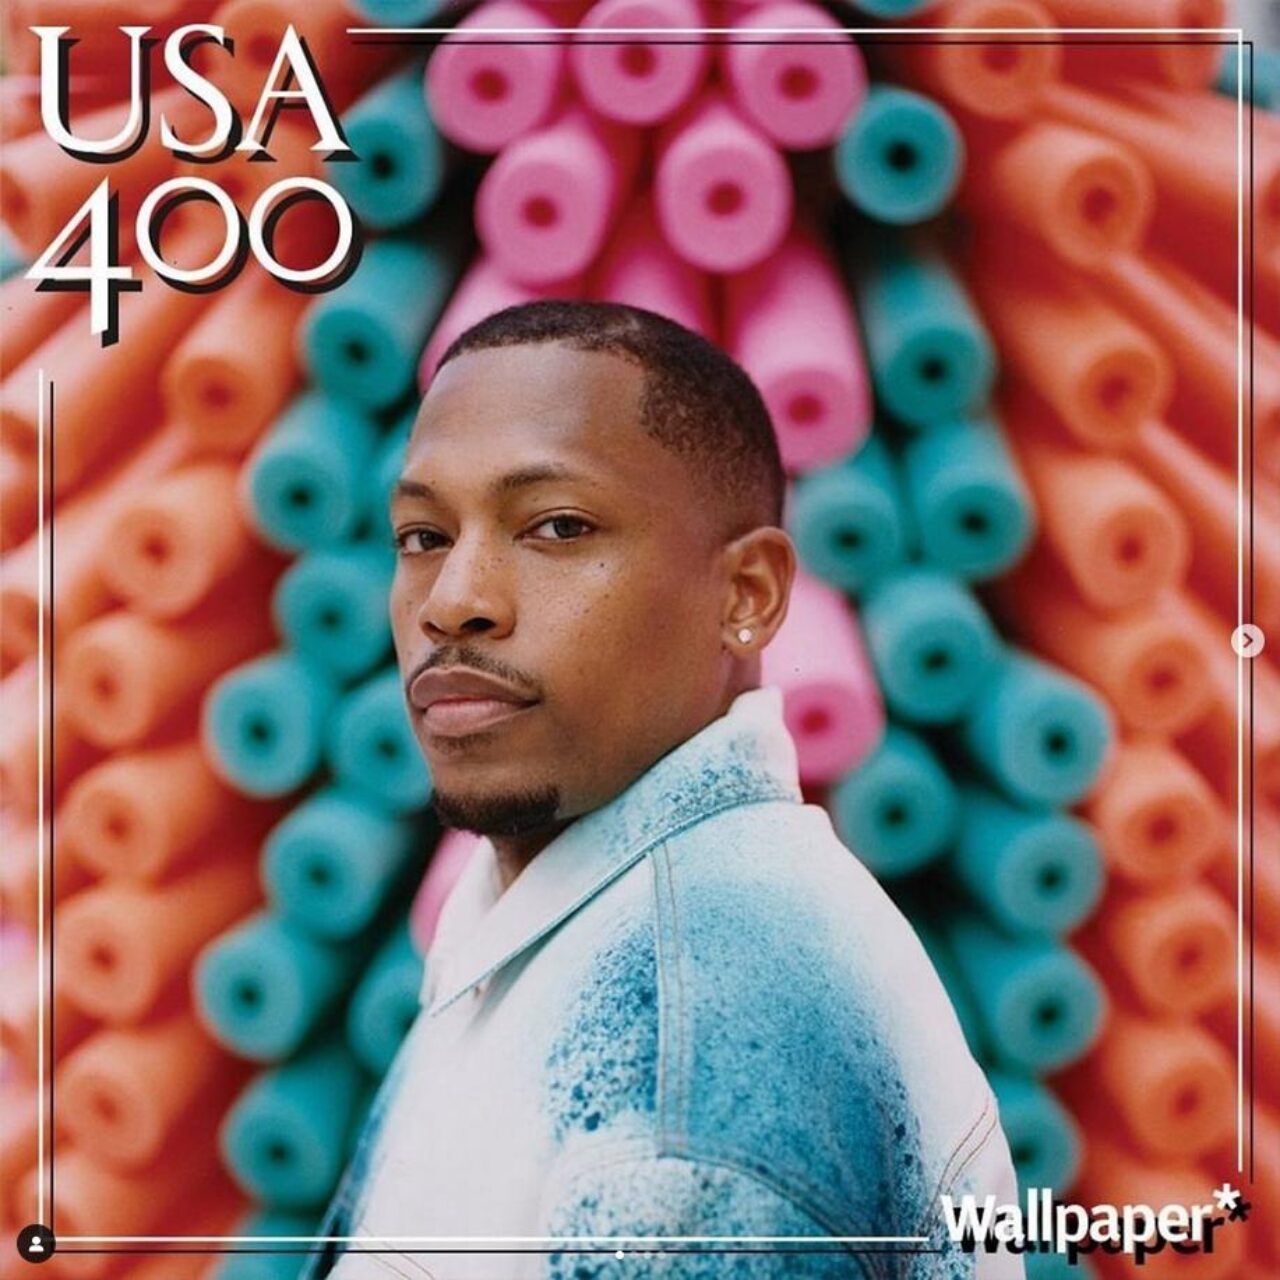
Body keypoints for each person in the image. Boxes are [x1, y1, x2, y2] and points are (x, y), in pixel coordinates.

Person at [303, 301, 1022, 1279]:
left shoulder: (679, 1075)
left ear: (747, 594)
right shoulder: (561, 925)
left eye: (555, 525)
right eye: (422, 535)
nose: (451, 601)